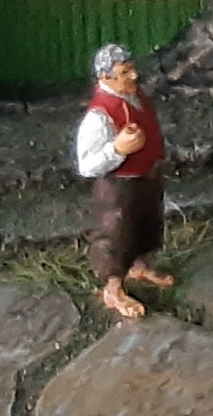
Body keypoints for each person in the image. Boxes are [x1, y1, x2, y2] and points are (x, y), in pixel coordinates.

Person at [74, 43, 175, 320]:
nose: (134, 76)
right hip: (119, 187)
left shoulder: (135, 96)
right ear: (105, 77)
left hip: (146, 175)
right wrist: (117, 149)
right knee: (116, 234)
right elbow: (87, 165)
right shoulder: (99, 116)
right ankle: (113, 288)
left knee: (148, 222)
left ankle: (141, 265)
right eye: (124, 72)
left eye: (132, 69)